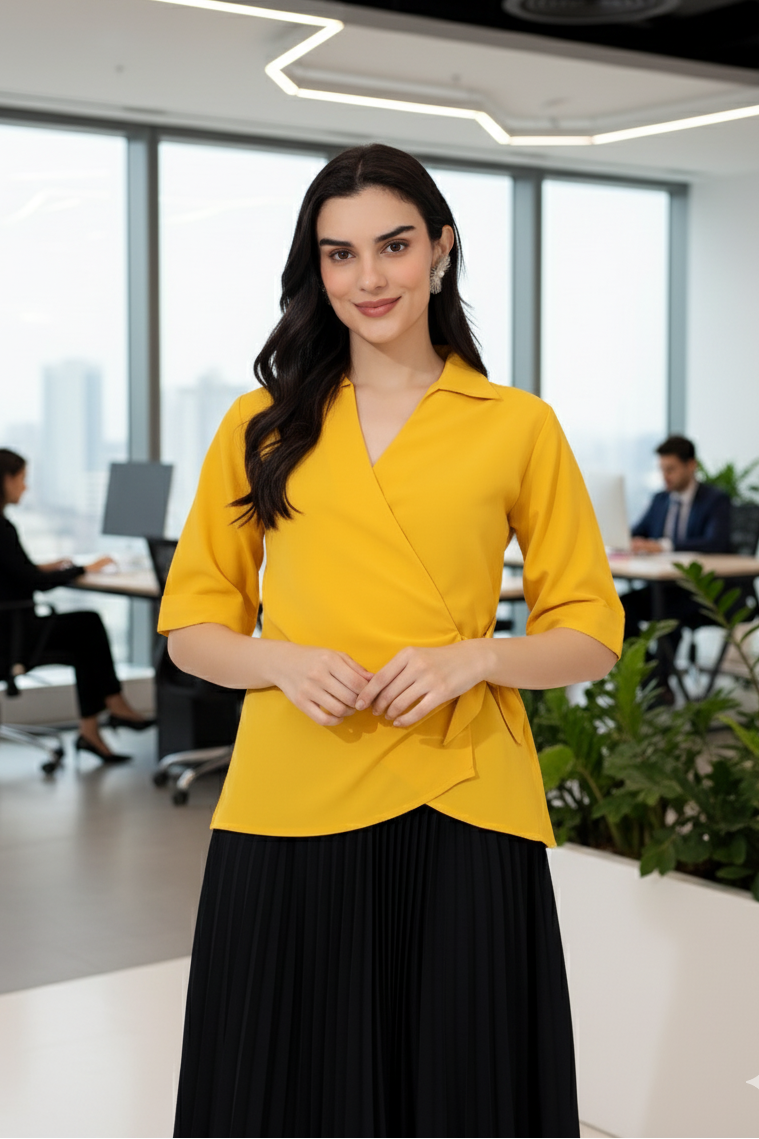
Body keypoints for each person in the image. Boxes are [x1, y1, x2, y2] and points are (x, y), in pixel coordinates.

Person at [160, 144, 624, 1139]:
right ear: (315, 270)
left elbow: (590, 630)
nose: (368, 278)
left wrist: (480, 655)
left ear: (441, 249)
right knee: (281, 1087)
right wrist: (281, 659)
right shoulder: (260, 425)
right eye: (339, 254)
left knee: (461, 1087)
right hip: (290, 787)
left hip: (461, 790)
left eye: (394, 245)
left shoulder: (516, 424)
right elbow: (193, 627)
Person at [0, 448, 154, 762]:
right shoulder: (2, 529)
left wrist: (47, 567)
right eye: (21, 480)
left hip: (7, 629)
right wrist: (83, 568)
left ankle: (92, 731)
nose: (25, 488)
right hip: (11, 636)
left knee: (82, 637)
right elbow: (33, 583)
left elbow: (14, 572)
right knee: (88, 625)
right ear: (5, 480)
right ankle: (114, 706)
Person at [623, 435, 731, 695]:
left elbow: (714, 542)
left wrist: (664, 546)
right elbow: (638, 532)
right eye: (662, 469)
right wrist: (631, 541)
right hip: (666, 587)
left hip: (703, 594)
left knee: (666, 614)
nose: (665, 476)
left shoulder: (715, 500)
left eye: (671, 469)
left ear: (691, 465)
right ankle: (651, 676)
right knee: (620, 608)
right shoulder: (660, 499)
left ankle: (660, 684)